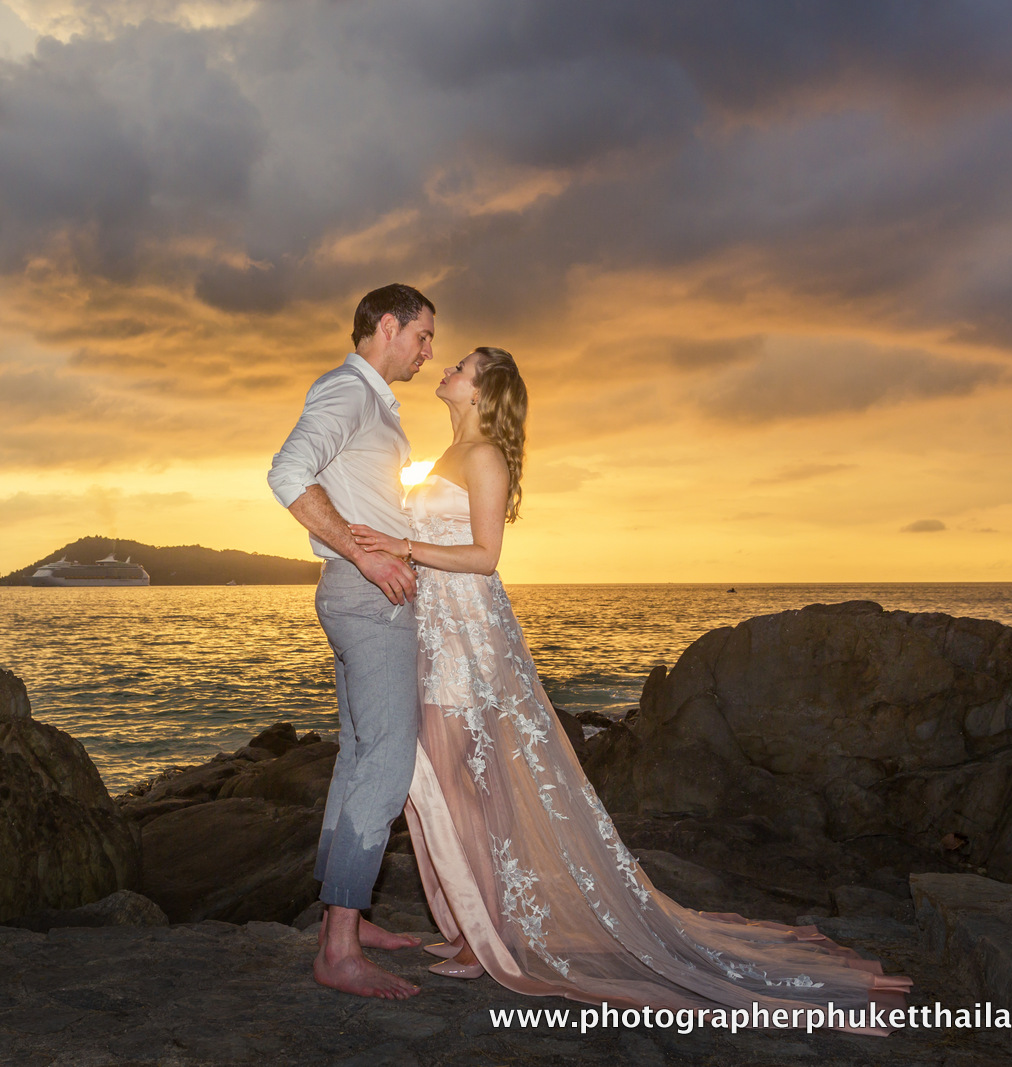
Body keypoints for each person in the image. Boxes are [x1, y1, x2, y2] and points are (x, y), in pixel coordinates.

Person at [347, 347, 913, 1030]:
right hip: (435, 631)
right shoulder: (446, 453)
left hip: (466, 642)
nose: (447, 367)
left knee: (458, 782)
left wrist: (405, 548)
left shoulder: (485, 456)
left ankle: (485, 936)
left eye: (461, 364)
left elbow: (487, 557)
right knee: (453, 780)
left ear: (483, 388)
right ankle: (476, 925)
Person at [267, 283, 437, 1000]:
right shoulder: (348, 391)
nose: (429, 351)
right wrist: (365, 554)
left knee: (361, 753)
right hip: (366, 596)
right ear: (389, 326)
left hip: (355, 593)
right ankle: (338, 950)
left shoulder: (369, 400)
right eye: (423, 336)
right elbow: (285, 474)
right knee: (389, 760)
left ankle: (348, 918)